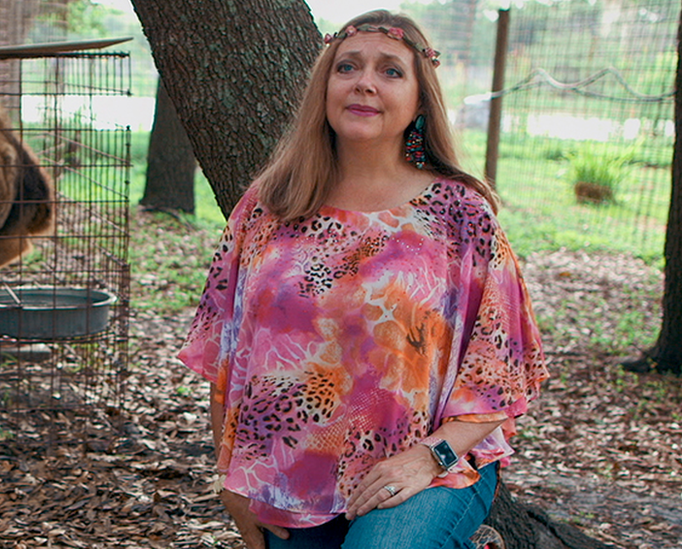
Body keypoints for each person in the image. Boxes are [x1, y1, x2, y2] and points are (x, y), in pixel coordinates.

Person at [178, 9, 548, 549]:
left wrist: (430, 457)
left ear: (420, 100)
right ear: (325, 87)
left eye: (391, 71)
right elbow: (227, 355)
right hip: (286, 478)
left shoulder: (459, 215)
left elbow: (503, 369)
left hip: (429, 465)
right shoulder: (269, 207)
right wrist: (230, 478)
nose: (365, 83)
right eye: (347, 67)